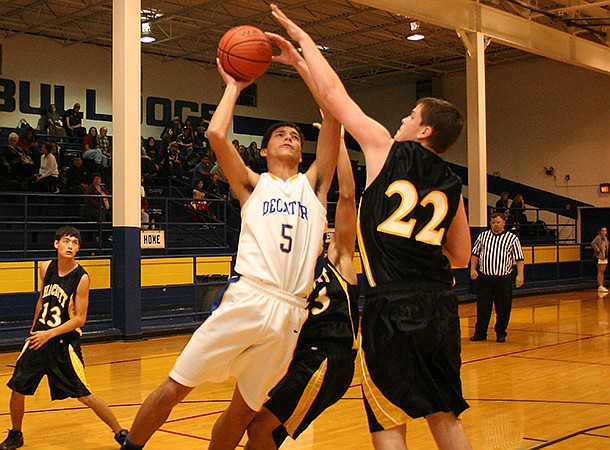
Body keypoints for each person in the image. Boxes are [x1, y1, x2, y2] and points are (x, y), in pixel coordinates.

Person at [121, 39, 340, 450]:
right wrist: (234, 86)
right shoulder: (252, 185)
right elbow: (216, 133)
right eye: (280, 134)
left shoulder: (315, 186)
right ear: (264, 149)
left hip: (292, 311)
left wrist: (302, 64)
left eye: (295, 134)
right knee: (176, 385)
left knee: (243, 410)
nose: (290, 137)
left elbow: (333, 118)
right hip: (249, 297)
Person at [270, 5, 472, 449]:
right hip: (440, 307)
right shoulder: (453, 183)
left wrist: (302, 42)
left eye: (409, 117)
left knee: (387, 421)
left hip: (390, 306)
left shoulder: (386, 149)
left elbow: (334, 94)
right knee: (445, 416)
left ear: (422, 131)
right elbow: (461, 256)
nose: (401, 120)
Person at [245, 126, 359, 449]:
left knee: (258, 428)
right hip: (299, 356)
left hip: (328, 356)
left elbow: (347, 195)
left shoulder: (338, 258)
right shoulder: (290, 268)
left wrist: (337, 141)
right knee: (268, 433)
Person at [0, 226, 128, 450]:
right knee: (17, 388)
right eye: (67, 241)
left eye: (75, 243)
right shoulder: (45, 267)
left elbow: (80, 319)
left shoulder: (81, 278)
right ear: (56, 244)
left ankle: (121, 433)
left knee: (85, 395)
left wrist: (49, 333)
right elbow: (42, 300)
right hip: (39, 339)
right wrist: (34, 331)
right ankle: (16, 433)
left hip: (63, 344)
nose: (71, 246)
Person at [469, 212, 525, 343]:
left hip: (503, 278)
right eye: (493, 223)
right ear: (490, 223)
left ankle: (501, 332)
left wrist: (520, 275)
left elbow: (519, 258)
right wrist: (472, 269)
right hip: (485, 278)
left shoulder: (512, 238)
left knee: (503, 307)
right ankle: (480, 332)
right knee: (483, 307)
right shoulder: (483, 236)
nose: (495, 225)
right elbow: (475, 254)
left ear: (504, 223)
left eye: (498, 223)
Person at [591, 226, 609, 292]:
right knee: (600, 271)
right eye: (603, 230)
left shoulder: (605, 238)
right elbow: (593, 243)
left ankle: (602, 285)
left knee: (603, 271)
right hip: (599, 256)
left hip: (604, 256)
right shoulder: (598, 237)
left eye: (605, 231)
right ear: (600, 231)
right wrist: (597, 249)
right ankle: (600, 285)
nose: (604, 232)